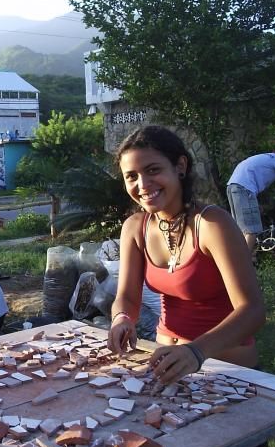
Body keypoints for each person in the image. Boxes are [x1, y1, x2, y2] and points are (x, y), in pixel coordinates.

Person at [108, 126, 265, 386]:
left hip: (227, 371)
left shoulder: (212, 224)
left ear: (180, 166)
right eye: (131, 176)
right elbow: (126, 297)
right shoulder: (135, 228)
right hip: (168, 369)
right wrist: (121, 319)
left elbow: (253, 311)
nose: (143, 185)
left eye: (153, 170)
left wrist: (196, 351)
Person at [226, 152, 275, 253]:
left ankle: (240, 259)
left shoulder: (269, 156)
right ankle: (242, 264)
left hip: (233, 187)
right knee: (251, 231)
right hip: (244, 188)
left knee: (242, 231)